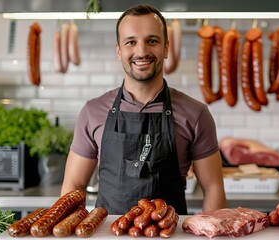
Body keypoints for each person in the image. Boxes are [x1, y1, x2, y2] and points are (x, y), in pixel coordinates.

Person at [60, 4, 227, 215]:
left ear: (166, 48)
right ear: (119, 51)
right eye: (131, 42)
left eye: (152, 41)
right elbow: (74, 185)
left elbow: (213, 188)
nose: (142, 51)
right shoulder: (92, 112)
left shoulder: (195, 114)